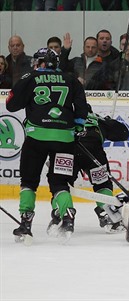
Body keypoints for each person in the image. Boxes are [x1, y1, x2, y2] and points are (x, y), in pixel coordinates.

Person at [5, 48, 88, 243]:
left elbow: (11, 104)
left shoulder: (30, 77)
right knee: (60, 182)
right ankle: (67, 215)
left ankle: (26, 222)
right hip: (65, 140)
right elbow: (82, 110)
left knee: (29, 181)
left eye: (37, 62)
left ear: (42, 63)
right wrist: (76, 127)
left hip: (37, 138)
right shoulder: (71, 80)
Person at [54, 104, 129, 234]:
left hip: (67, 150)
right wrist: (109, 123)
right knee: (102, 184)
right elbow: (123, 134)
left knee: (60, 184)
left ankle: (62, 214)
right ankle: (107, 214)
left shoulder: (62, 116)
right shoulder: (97, 119)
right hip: (94, 151)